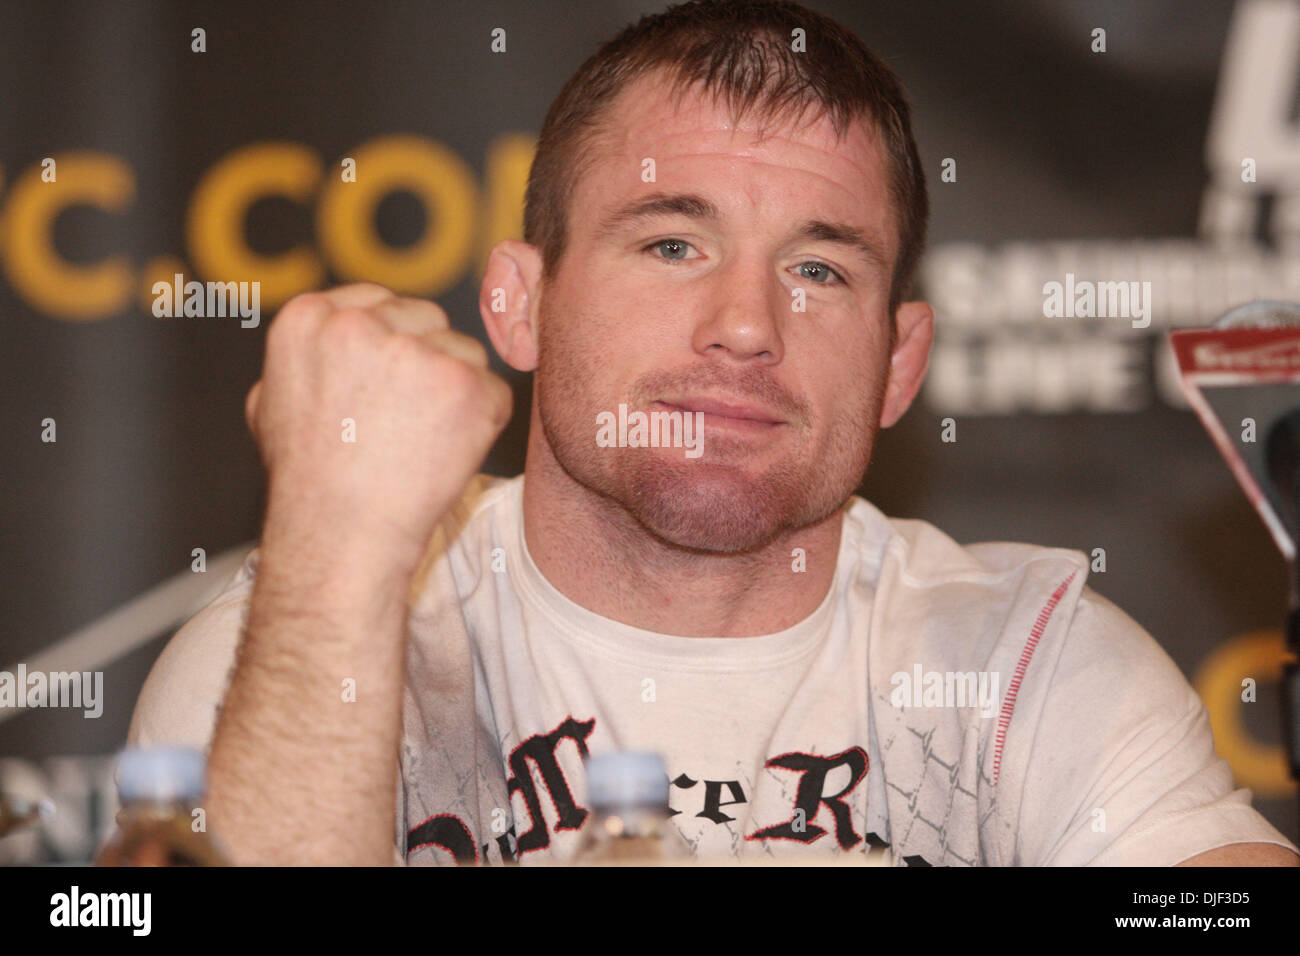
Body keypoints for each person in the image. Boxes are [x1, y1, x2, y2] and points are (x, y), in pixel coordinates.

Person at [128, 0, 1299, 866]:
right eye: (671, 243)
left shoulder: (1026, 668)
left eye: (817, 266)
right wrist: (335, 546)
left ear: (899, 364)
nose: (746, 325)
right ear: (517, 302)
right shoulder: (309, 634)